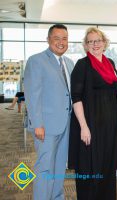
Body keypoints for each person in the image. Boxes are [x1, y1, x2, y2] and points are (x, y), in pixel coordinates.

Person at [68, 27, 117, 200]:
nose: (95, 44)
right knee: (90, 167)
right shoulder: (82, 65)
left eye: (98, 40)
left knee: (107, 166)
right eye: (91, 41)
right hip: (91, 125)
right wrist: (84, 127)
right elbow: (76, 98)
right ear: (86, 45)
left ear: (104, 42)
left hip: (110, 126)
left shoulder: (111, 63)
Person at [24, 24, 74, 200]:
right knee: (45, 167)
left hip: (65, 124)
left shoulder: (69, 63)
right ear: (48, 39)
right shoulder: (36, 60)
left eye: (65, 38)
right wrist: (37, 124)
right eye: (57, 38)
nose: (61, 42)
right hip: (45, 126)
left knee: (59, 166)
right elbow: (32, 95)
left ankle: (57, 197)